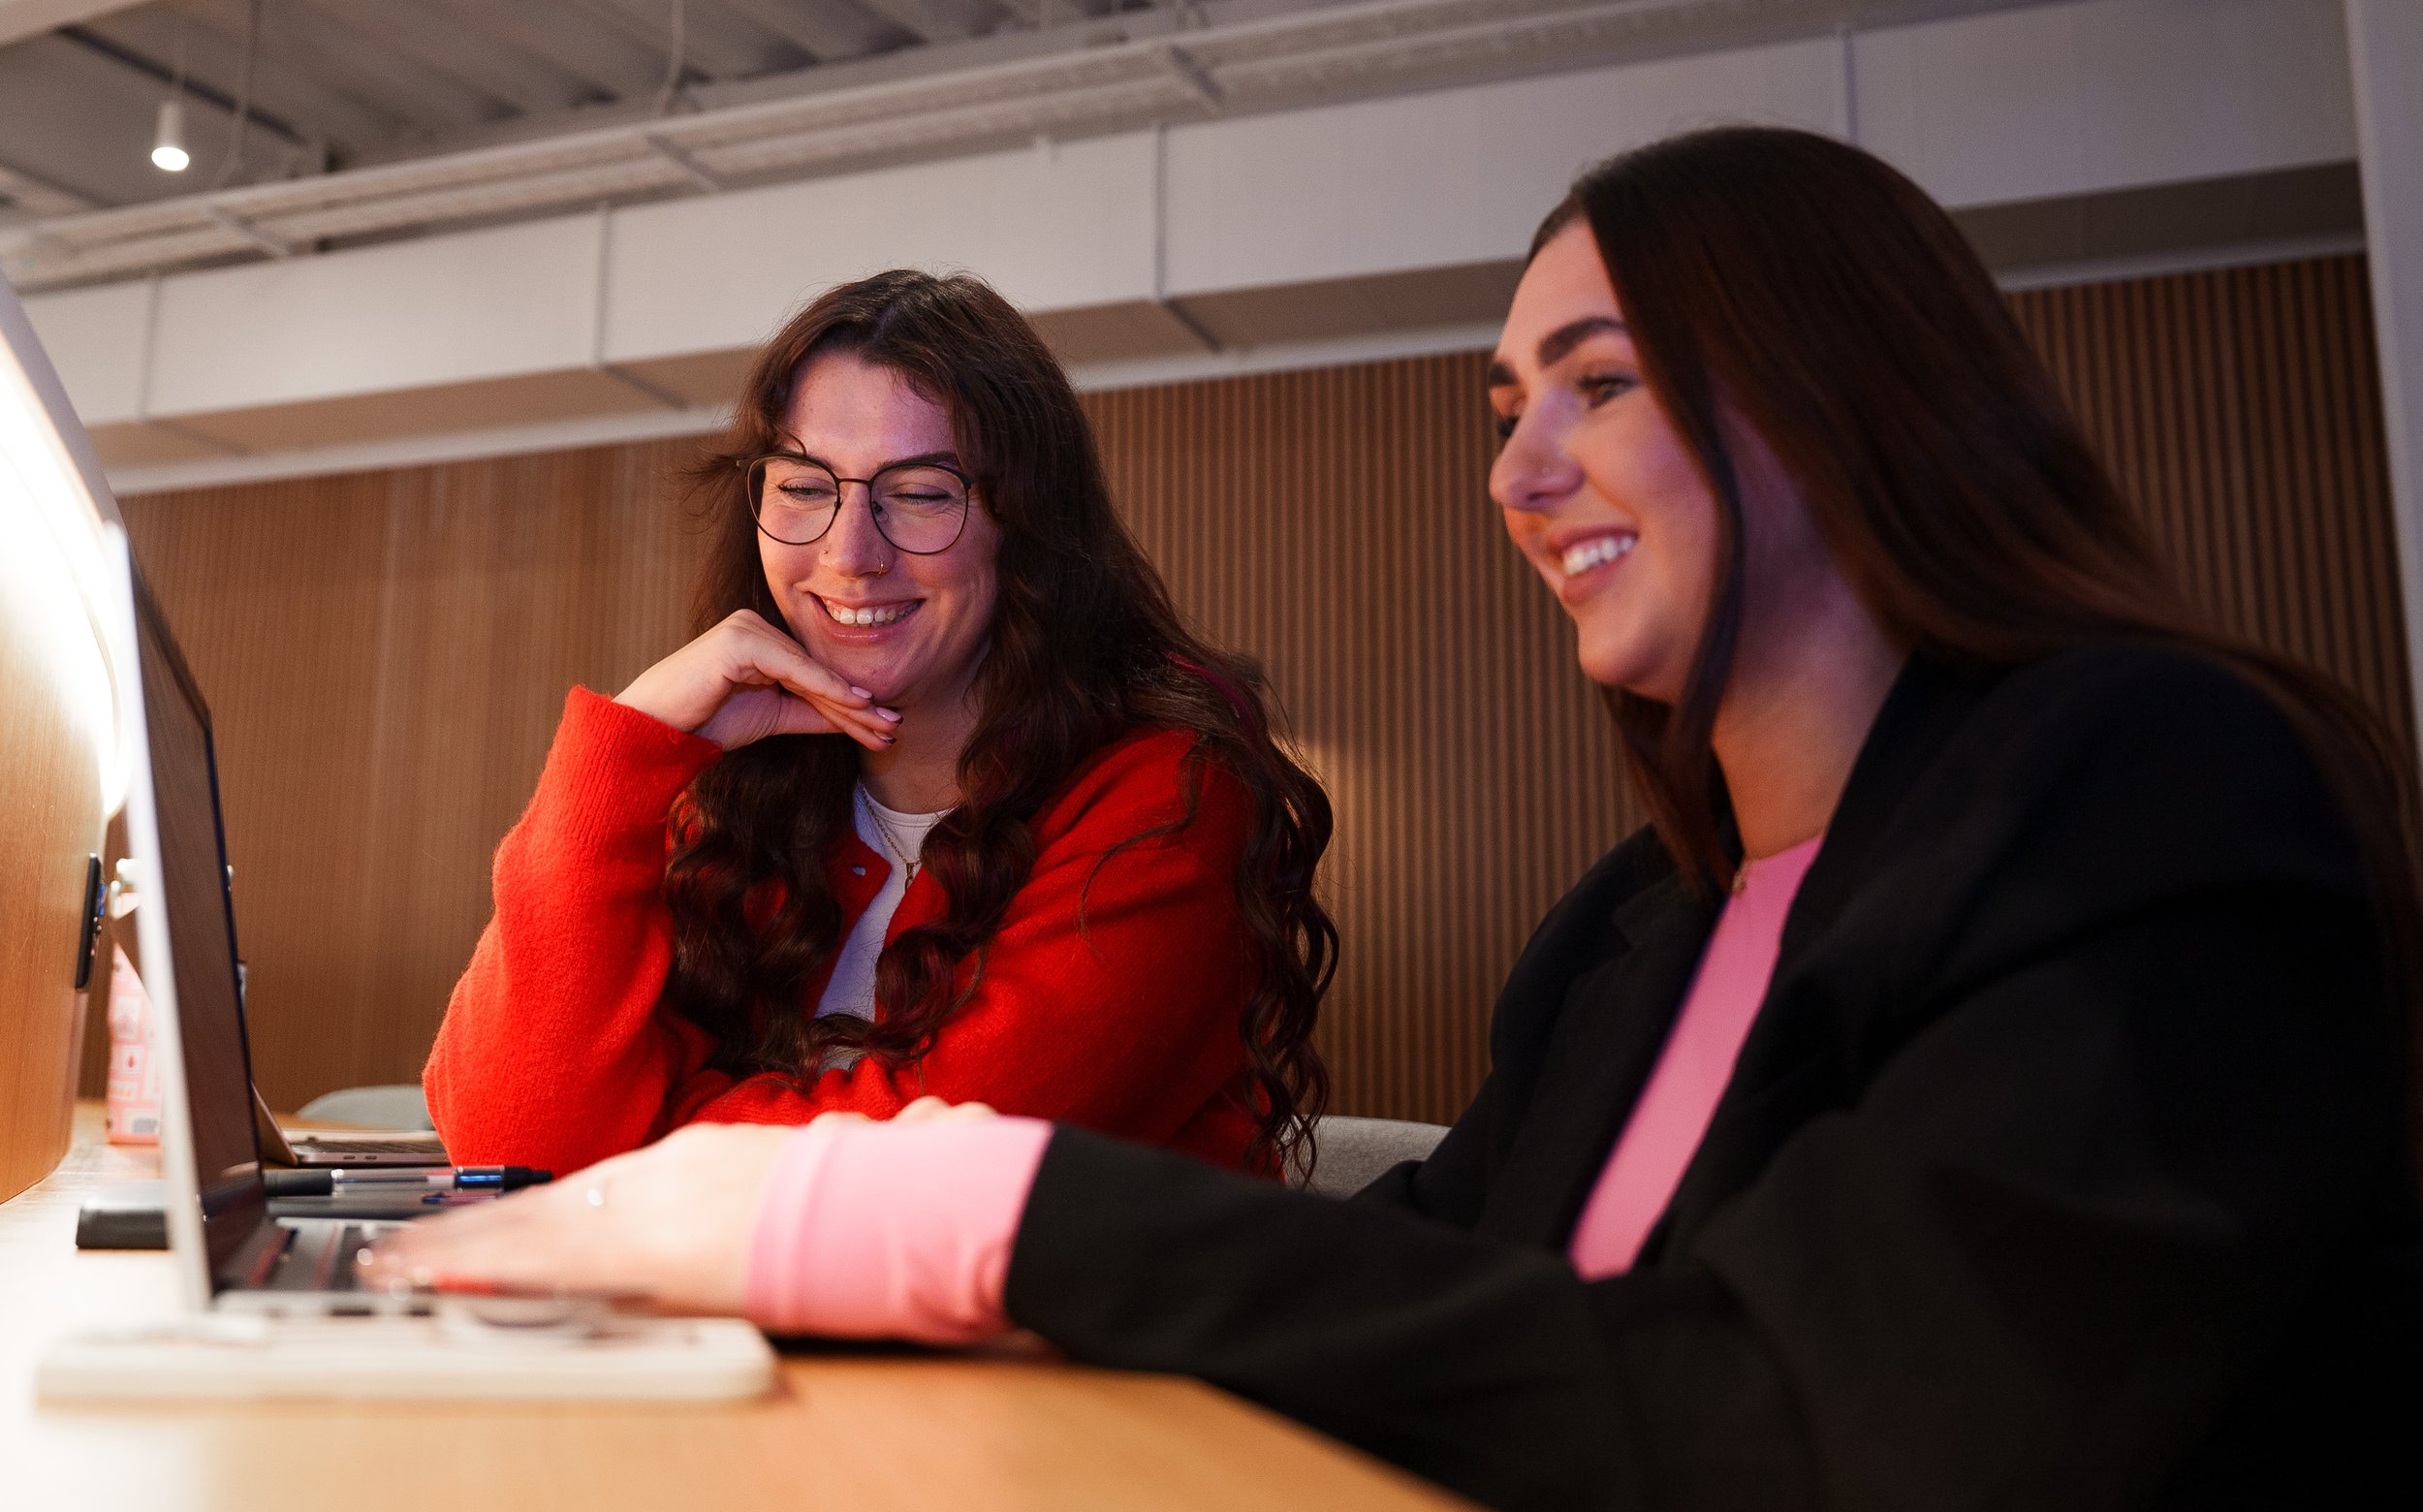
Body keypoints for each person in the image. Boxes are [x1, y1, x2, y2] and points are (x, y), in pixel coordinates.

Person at [379, 130, 2423, 1509]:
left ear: (1846, 397)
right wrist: (621, 763)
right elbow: (1429, 1288)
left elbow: (1802, 1415)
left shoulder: (2144, 781)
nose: (1518, 471)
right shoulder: (1633, 922)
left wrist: (929, 1204)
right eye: (1501, 407)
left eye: (1595, 383)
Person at [422, 269, 1337, 1181]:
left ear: (1025, 527)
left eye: (923, 491)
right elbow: (516, 1145)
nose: (850, 554)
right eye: (805, 485)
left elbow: (941, 1173)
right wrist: (627, 744)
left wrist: (641, 1139)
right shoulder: (745, 794)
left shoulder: (1170, 794)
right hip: (747, 1330)